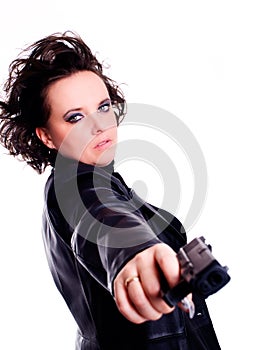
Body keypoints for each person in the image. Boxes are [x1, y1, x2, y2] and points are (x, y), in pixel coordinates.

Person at [0, 31, 221, 349]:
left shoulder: (93, 179)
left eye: (103, 107)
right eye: (75, 117)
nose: (99, 125)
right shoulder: (75, 186)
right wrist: (133, 251)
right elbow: (103, 217)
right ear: (46, 136)